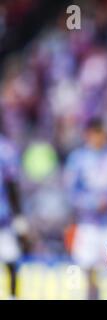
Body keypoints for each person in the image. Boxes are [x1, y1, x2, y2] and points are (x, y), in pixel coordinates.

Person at [64, 118, 107, 299]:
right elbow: (71, 193)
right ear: (88, 135)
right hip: (88, 223)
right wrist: (92, 203)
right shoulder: (78, 159)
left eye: (102, 133)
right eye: (95, 134)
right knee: (84, 267)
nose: (99, 138)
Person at [0, 113, 28, 299]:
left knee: (11, 261)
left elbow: (12, 187)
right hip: (3, 219)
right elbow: (13, 187)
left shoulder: (5, 149)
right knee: (11, 261)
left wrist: (18, 218)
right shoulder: (6, 148)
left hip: (3, 221)